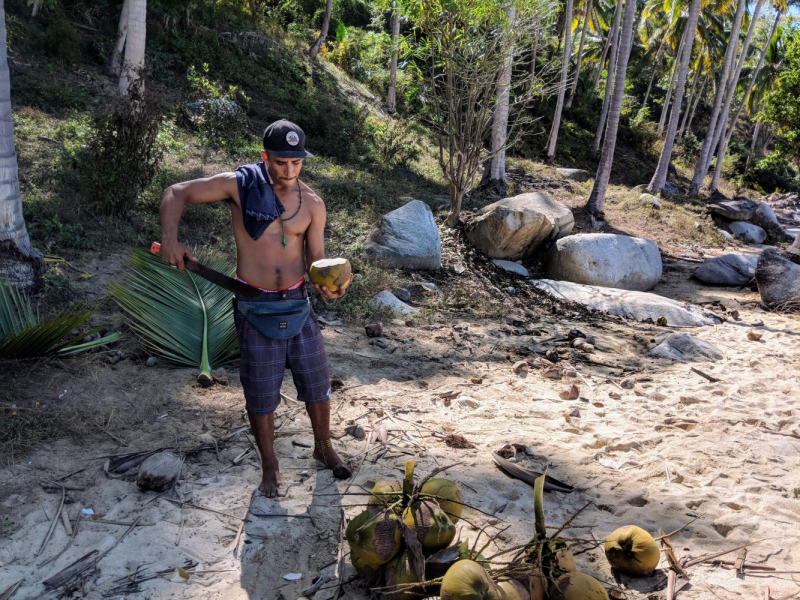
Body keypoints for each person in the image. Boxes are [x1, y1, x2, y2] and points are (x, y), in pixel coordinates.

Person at [158, 119, 353, 498]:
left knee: (317, 386)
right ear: (265, 157)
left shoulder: (312, 204)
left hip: (297, 304)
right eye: (281, 162)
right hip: (254, 304)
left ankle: (324, 447)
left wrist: (331, 287)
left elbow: (317, 263)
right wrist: (170, 238)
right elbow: (176, 191)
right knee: (261, 394)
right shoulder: (240, 185)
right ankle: (270, 466)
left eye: (296, 163)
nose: (289, 171)